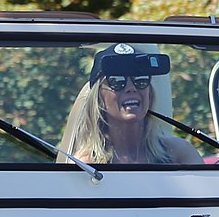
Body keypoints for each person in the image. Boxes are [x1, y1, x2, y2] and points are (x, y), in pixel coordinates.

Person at [59, 43, 202, 165]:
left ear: (149, 94)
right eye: (117, 81)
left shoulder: (179, 155)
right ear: (99, 98)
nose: (131, 88)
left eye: (140, 80)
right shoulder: (87, 165)